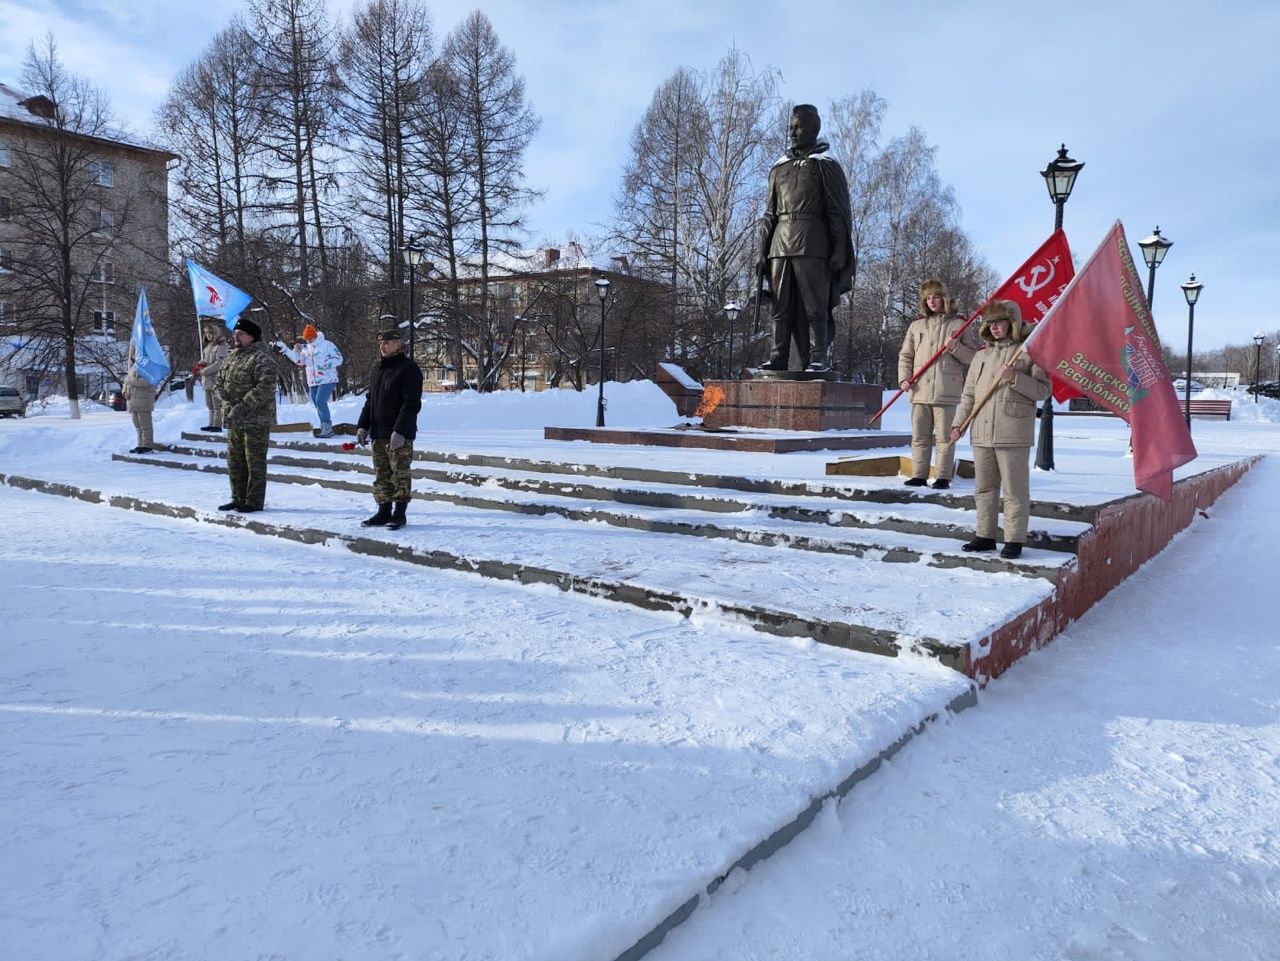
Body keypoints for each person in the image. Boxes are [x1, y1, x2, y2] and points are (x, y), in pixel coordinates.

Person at [755, 104, 855, 372]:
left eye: (798, 127)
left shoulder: (826, 165)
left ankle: (818, 356)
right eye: (791, 127)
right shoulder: (779, 168)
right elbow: (769, 214)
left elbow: (836, 211)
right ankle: (778, 355)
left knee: (815, 305)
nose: (793, 132)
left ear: (814, 128)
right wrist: (761, 251)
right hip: (779, 244)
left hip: (813, 243)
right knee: (780, 306)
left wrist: (839, 249)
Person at [950, 300, 1050, 560]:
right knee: (984, 488)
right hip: (982, 432)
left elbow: (1043, 390)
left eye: (1000, 322)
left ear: (1012, 323)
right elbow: (969, 395)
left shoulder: (1028, 352)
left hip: (1013, 432)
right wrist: (958, 424)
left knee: (1015, 491)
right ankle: (985, 536)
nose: (994, 328)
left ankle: (1014, 540)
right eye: (991, 323)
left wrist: (1015, 378)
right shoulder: (981, 356)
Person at [897, 278, 978, 490]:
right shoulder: (916, 325)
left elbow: (973, 357)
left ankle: (943, 477)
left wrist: (954, 348)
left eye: (936, 297)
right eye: (928, 298)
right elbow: (906, 355)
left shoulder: (959, 324)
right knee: (920, 437)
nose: (932, 301)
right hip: (919, 389)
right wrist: (904, 378)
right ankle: (919, 475)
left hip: (946, 390)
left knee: (944, 438)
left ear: (944, 298)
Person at [356, 328, 423, 531]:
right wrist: (362, 426)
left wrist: (400, 430)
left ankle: (399, 514)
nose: (382, 347)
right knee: (382, 474)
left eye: (387, 343)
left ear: (398, 344)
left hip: (398, 434)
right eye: (381, 344)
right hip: (378, 432)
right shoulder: (378, 369)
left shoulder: (408, 368)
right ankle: (383, 510)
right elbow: (371, 401)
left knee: (400, 473)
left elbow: (411, 403)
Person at [214, 317, 277, 513]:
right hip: (234, 420)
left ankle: (253, 501)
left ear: (251, 336)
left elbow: (265, 387)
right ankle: (238, 498)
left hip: (254, 420)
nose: (236, 337)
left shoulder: (262, 357)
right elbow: (219, 379)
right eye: (235, 334)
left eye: (240, 334)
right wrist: (221, 392)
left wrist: (242, 406)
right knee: (235, 461)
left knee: (254, 462)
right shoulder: (233, 356)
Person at [276, 323, 343, 437]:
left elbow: (339, 359)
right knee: (317, 403)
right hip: (312, 380)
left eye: (310, 339)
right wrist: (296, 351)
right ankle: (324, 427)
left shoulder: (327, 345)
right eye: (306, 339)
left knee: (320, 401)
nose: (308, 341)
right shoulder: (306, 349)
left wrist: (325, 364)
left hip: (327, 379)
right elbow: (300, 362)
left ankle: (327, 427)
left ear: (315, 336)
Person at [194, 323, 230, 432]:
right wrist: (200, 364)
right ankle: (211, 424)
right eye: (206, 333)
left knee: (216, 404)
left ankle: (217, 425)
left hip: (216, 379)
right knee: (209, 404)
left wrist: (204, 371)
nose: (208, 335)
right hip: (207, 380)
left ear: (215, 334)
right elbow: (206, 360)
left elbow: (219, 363)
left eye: (210, 333)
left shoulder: (221, 346)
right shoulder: (208, 347)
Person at [122, 354, 156, 454]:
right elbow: (126, 381)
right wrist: (124, 391)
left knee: (145, 425)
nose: (132, 354)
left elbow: (148, 381)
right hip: (133, 400)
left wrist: (131, 381)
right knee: (137, 425)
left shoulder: (147, 365)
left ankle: (148, 446)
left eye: (134, 351)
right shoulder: (133, 365)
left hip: (143, 400)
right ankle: (141, 444)